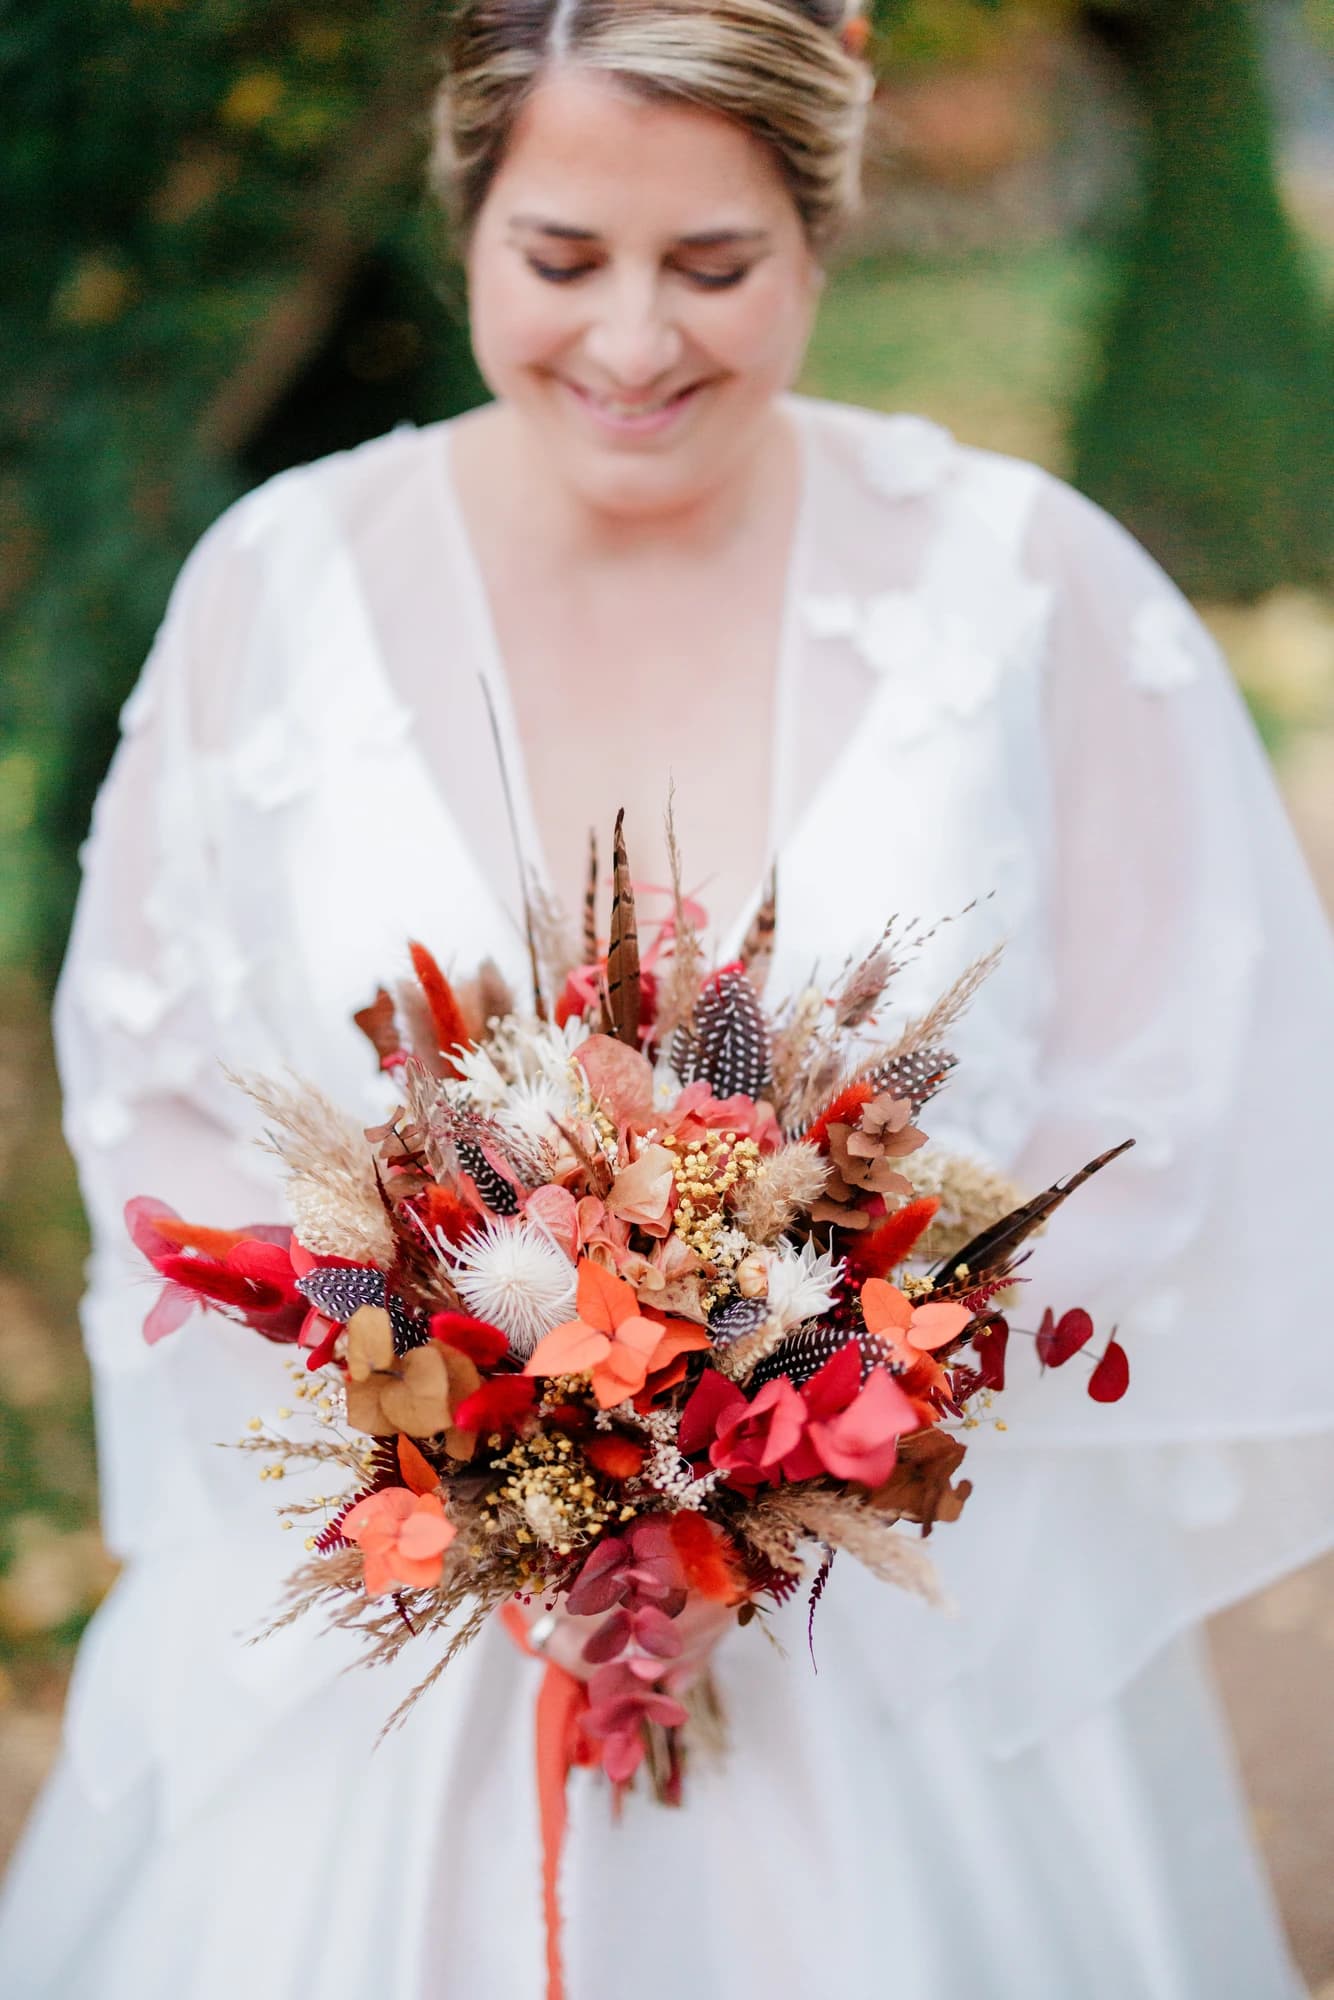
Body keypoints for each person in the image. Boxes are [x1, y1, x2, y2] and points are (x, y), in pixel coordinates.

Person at [3, 1, 1333, 1992]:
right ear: (466, 224)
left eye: (711, 265)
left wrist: (786, 1462)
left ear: (822, 232)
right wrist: (474, 1466)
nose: (631, 342)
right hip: (383, 1665)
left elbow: (1163, 1088)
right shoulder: (281, 582)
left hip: (903, 1663)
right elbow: (159, 1085)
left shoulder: (1025, 588)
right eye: (561, 259)